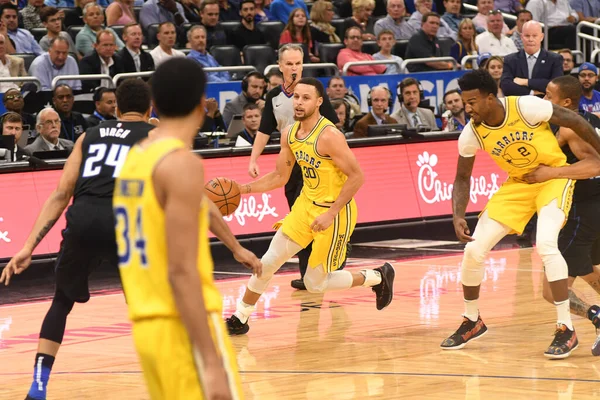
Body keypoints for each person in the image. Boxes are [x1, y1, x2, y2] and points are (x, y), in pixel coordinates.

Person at [0, 79, 157, 400]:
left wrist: (28, 246)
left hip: (83, 218)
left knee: (60, 302)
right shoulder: (154, 137)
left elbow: (61, 193)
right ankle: (166, 382)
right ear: (150, 107)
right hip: (124, 222)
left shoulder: (88, 136)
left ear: (116, 106)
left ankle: (38, 387)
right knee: (144, 307)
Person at [114, 58, 261, 400]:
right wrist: (211, 360)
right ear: (202, 105)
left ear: (155, 104)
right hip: (184, 324)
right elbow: (181, 270)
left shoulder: (136, 158)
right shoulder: (181, 163)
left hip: (146, 326)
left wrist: (235, 247)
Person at [442, 69, 600, 359]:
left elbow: (574, 119)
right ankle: (472, 319)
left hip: (552, 178)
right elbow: (462, 178)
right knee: (473, 250)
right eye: (465, 102)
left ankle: (566, 328)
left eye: (473, 101)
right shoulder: (471, 133)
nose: (468, 108)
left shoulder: (525, 107)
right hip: (519, 183)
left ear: (490, 98)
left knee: (547, 245)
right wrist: (458, 214)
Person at [226, 77, 395, 335]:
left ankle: (377, 276)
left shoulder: (329, 136)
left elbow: (357, 176)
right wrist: (243, 189)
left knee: (314, 285)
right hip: (305, 206)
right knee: (269, 261)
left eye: (306, 98)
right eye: (296, 97)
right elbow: (280, 176)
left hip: (334, 211)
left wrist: (330, 213)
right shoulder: (289, 134)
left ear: (318, 102)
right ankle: (241, 316)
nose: (299, 102)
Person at [247, 43, 340, 290]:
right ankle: (305, 273)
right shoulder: (274, 97)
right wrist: (253, 159)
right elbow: (264, 130)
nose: (294, 68)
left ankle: (328, 264)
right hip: (290, 161)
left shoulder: (314, 92)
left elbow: (333, 126)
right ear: (280, 66)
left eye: (298, 63)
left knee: (319, 215)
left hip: (317, 160)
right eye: (289, 64)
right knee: (297, 216)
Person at [528, 75, 600, 356]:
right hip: (592, 209)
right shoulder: (587, 120)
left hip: (582, 212)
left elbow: (594, 165)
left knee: (550, 289)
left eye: (548, 95)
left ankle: (592, 318)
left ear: (566, 102)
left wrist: (552, 172)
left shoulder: (570, 129)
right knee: (590, 271)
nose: (543, 100)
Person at [500, 21, 563, 97]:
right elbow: (506, 86)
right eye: (527, 36)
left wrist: (526, 82)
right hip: (519, 105)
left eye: (534, 36)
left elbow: (556, 85)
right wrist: (532, 92)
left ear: (541, 37)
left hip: (545, 105)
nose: (530, 39)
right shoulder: (509, 60)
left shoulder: (555, 59)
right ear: (521, 37)